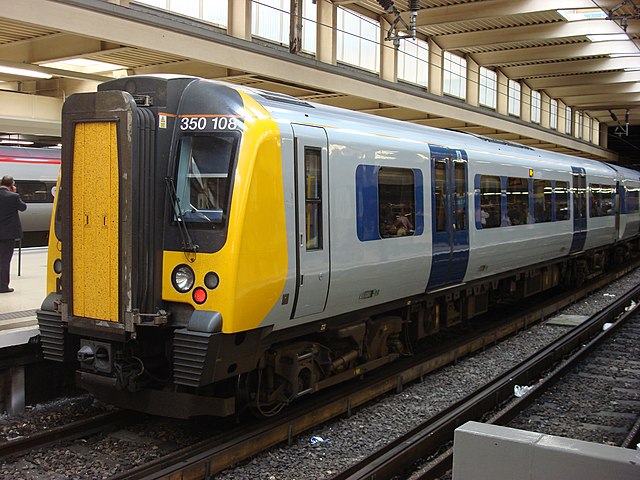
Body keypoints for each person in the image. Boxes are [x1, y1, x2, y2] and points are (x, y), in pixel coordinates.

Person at [0, 175, 27, 293]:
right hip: (7, 234)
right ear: (11, 185)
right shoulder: (13, 196)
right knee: (5, 260)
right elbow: (23, 207)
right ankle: (3, 286)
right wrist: (15, 193)